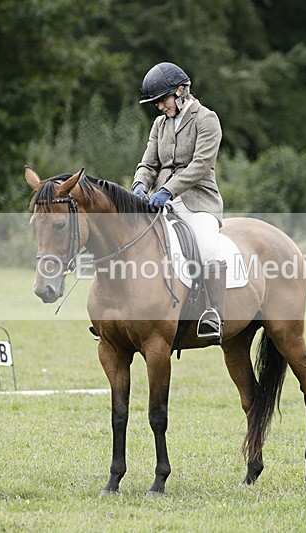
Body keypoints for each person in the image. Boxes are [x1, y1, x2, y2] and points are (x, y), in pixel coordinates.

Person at [131, 62, 226, 342]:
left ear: (182, 91)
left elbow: (200, 165)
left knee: (208, 248)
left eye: (162, 100)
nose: (159, 106)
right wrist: (139, 185)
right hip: (161, 202)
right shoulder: (160, 124)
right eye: (156, 102)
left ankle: (213, 314)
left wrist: (168, 191)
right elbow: (148, 163)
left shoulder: (206, 119)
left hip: (198, 202)